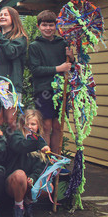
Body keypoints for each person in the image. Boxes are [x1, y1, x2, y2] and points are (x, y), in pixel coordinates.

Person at [28, 10, 73, 153]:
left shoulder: (63, 44)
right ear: (38, 26)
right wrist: (58, 68)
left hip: (60, 90)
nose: (48, 28)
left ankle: (56, 158)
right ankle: (45, 159)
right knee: (46, 126)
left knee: (58, 126)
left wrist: (71, 58)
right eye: (44, 25)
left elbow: (71, 67)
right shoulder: (35, 46)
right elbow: (36, 70)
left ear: (56, 26)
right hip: (43, 91)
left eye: (51, 25)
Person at [6, 109, 51, 217]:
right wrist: (39, 143)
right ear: (22, 124)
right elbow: (21, 147)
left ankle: (28, 202)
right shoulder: (16, 136)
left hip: (29, 183)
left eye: (33, 124)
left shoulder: (40, 142)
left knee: (48, 187)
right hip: (13, 182)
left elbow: (40, 167)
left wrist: (33, 177)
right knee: (20, 175)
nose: (30, 127)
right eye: (27, 124)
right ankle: (18, 207)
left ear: (38, 126)